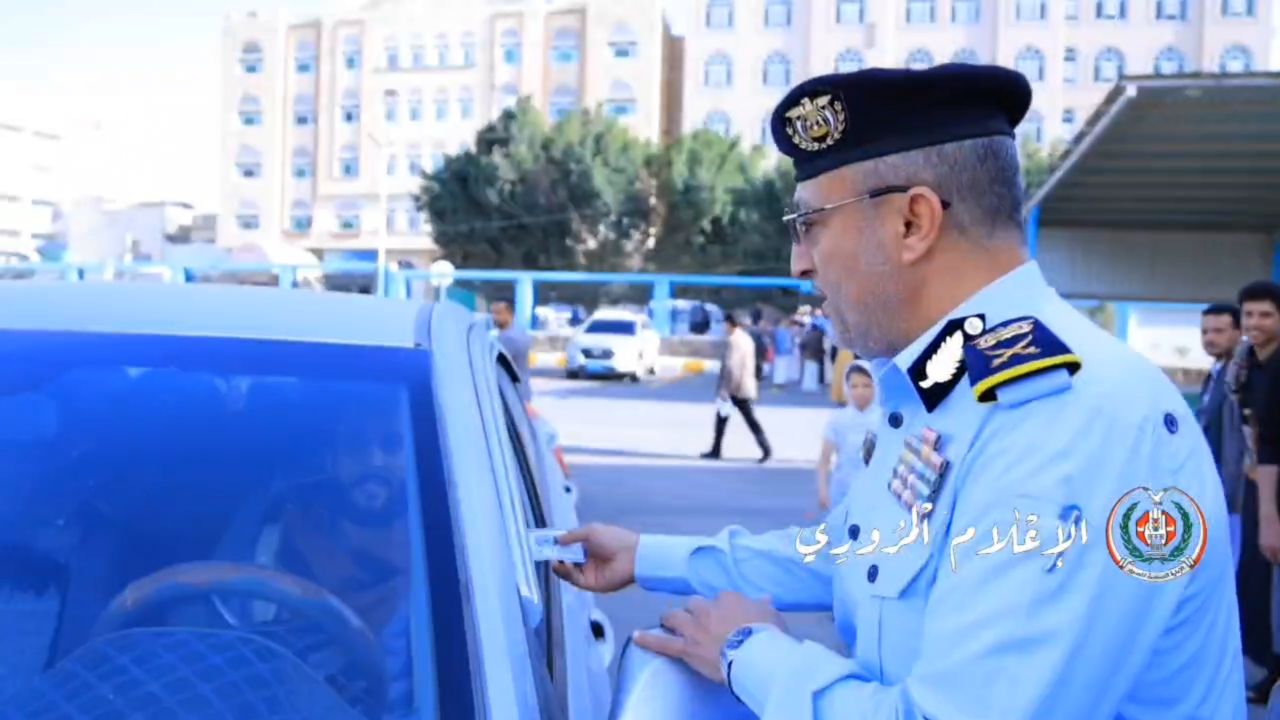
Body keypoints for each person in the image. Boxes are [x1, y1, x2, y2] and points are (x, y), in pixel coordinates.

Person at [554, 63, 1243, 719]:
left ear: (913, 223)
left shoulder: (1069, 423)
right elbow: (853, 551)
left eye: (809, 225)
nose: (798, 263)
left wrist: (749, 654)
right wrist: (648, 556)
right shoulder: (951, 384)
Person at [1236, 281, 1280, 704]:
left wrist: (1269, 517)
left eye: (1266, 315)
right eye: (1249, 314)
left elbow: (1272, 445)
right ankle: (1268, 666)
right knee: (1253, 582)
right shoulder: (1249, 361)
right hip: (1257, 483)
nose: (1255, 323)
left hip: (1272, 488)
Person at [1199, 303, 1246, 567]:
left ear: (1239, 333)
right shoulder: (1215, 374)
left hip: (1238, 492)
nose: (1210, 338)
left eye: (1219, 331)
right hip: (1216, 489)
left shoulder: (1241, 375)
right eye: (1205, 332)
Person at [702, 312, 772, 463]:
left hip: (735, 388)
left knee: (745, 419)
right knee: (725, 418)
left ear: (729, 323)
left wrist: (725, 388)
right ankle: (716, 449)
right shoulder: (746, 338)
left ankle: (765, 448)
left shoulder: (733, 340)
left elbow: (731, 366)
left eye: (724, 323)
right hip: (744, 385)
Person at [816, 362, 880, 512]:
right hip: (842, 491)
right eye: (854, 386)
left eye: (866, 386)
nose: (860, 391)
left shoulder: (884, 419)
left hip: (876, 494)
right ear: (846, 388)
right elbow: (824, 459)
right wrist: (823, 490)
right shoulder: (838, 419)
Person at [490, 300, 532, 402]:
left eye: (498, 313)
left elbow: (494, 365)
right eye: (493, 313)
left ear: (509, 314)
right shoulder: (519, 331)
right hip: (520, 391)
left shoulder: (509, 338)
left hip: (511, 395)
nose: (494, 317)